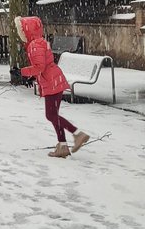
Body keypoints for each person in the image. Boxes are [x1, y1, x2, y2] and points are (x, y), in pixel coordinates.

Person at [15, 16, 91, 158]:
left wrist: (21, 72)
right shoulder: (41, 41)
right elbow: (44, 63)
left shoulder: (34, 45)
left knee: (51, 115)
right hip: (54, 79)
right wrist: (31, 76)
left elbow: (39, 67)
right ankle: (62, 146)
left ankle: (78, 134)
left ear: (27, 31)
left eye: (21, 31)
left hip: (51, 82)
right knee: (53, 115)